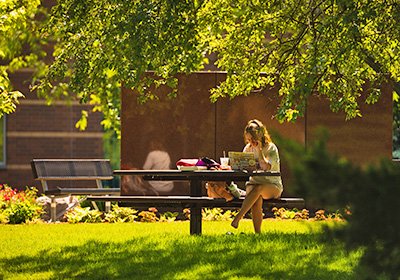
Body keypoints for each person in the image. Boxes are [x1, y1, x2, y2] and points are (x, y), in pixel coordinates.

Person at [231, 119, 283, 233]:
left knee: (258, 189)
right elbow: (244, 167)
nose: (250, 142)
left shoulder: (271, 148)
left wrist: (259, 150)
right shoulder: (248, 148)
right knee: (256, 196)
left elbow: (266, 167)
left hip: (272, 185)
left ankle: (238, 217)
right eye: (248, 139)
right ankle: (257, 233)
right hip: (254, 183)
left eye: (252, 139)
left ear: (259, 136)